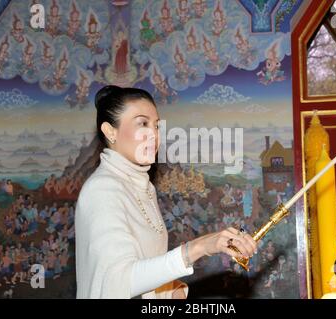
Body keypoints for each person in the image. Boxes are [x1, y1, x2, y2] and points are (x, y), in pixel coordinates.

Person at [75, 86, 257, 299]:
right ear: (110, 131)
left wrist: (173, 292)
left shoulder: (144, 187)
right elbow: (120, 281)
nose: (153, 134)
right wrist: (200, 247)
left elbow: (143, 273)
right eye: (142, 123)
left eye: (157, 126)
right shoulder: (102, 189)